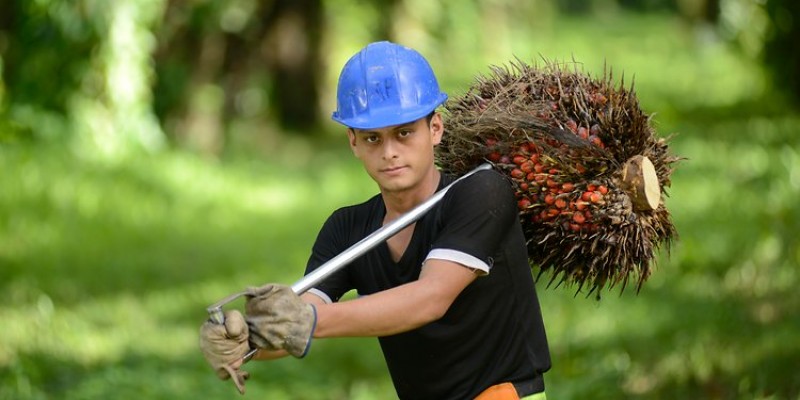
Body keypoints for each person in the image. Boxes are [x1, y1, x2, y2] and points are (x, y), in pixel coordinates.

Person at [199, 41, 552, 400]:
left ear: (435, 129)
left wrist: (308, 321)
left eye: (404, 133)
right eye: (372, 138)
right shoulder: (347, 228)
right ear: (353, 142)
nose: (389, 152)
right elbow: (299, 319)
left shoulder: (480, 193)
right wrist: (247, 340)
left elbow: (430, 298)